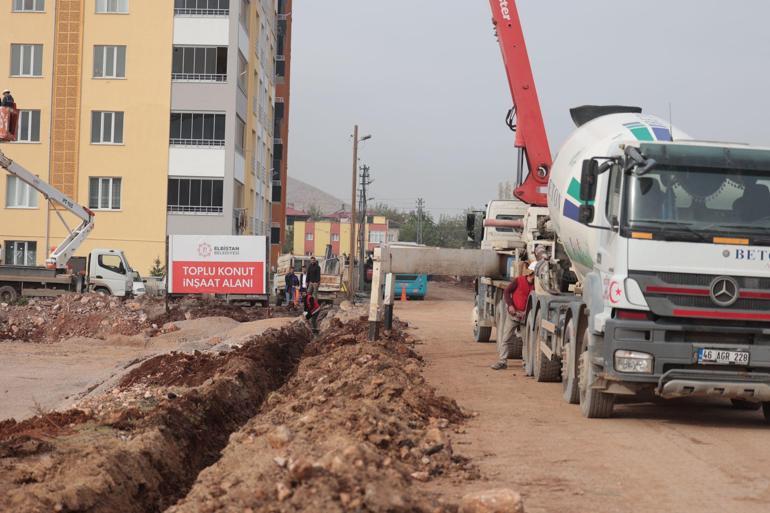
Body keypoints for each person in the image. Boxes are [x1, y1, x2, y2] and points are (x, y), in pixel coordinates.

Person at [491, 262, 536, 370]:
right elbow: (507, 292)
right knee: (506, 339)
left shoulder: (536, 286)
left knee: (526, 342)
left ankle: (526, 363)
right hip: (513, 315)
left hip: (525, 318)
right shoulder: (519, 280)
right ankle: (502, 362)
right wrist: (510, 305)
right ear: (532, 273)